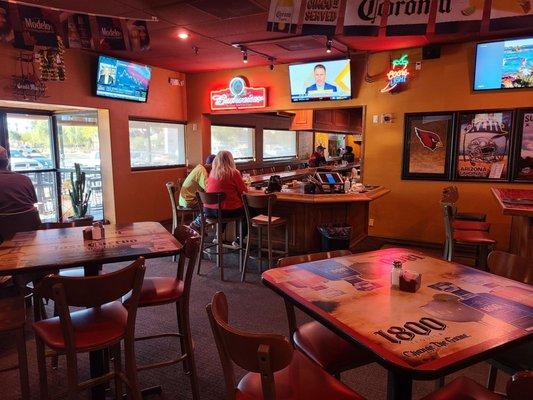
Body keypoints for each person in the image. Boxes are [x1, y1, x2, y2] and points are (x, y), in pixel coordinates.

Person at [204, 151, 248, 246]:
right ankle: (239, 240)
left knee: (222, 207)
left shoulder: (212, 173)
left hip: (208, 211)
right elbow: (244, 191)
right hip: (225, 212)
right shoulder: (234, 173)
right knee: (249, 212)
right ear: (230, 160)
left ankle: (218, 236)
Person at [0, 146, 41, 241]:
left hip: (3, 235)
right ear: (7, 162)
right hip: (30, 229)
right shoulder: (25, 179)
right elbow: (33, 201)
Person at [182, 154, 215, 230]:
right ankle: (196, 225)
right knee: (211, 207)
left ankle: (199, 227)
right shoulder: (202, 172)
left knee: (210, 205)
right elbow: (209, 190)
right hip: (190, 200)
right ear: (212, 165)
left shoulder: (199, 167)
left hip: (184, 199)